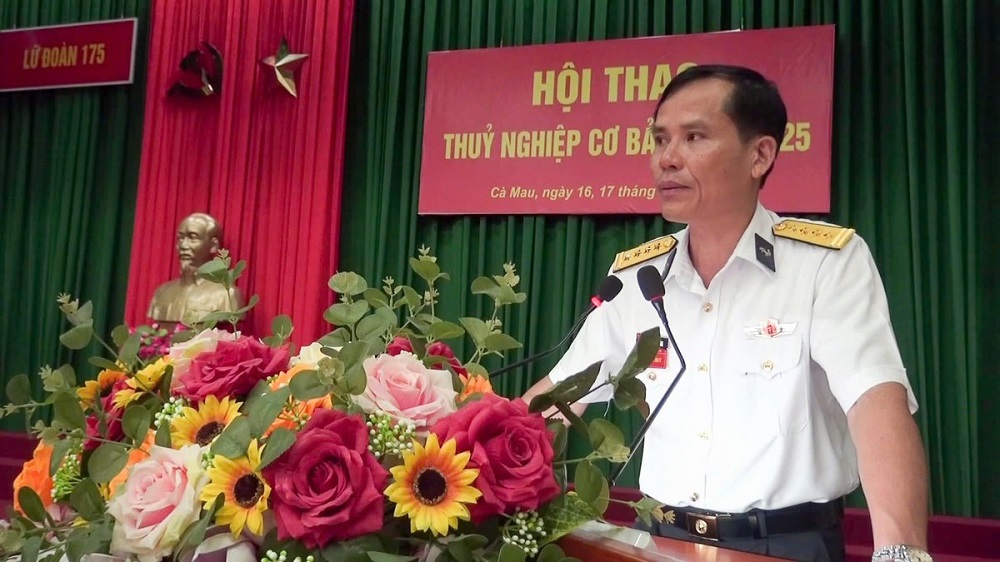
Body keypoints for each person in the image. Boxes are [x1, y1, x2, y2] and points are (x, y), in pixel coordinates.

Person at [522, 65, 931, 562]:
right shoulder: (636, 279)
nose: (667, 158)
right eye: (660, 139)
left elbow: (875, 403)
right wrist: (476, 465)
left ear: (760, 155)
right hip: (656, 542)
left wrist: (901, 553)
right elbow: (559, 396)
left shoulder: (824, 265)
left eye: (694, 137)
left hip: (783, 546)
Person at [147, 212, 244, 327]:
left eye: (193, 238)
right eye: (180, 238)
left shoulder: (226, 295)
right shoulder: (161, 293)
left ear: (213, 246)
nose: (183, 245)